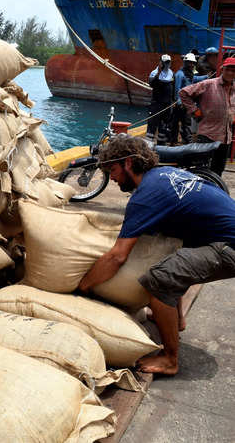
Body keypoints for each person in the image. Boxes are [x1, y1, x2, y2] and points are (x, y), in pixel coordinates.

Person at [78, 136, 235, 375]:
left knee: (160, 279)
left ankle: (170, 359)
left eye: (113, 171)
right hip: (221, 237)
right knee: (175, 261)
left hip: (228, 247)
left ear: (129, 163)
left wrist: (85, 285)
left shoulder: (145, 196)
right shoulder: (165, 176)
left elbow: (117, 256)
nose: (114, 180)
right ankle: (177, 320)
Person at [179, 57, 235, 176]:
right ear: (222, 70)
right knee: (201, 170)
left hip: (226, 138)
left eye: (233, 70)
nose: (230, 73)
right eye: (228, 69)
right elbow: (183, 93)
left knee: (217, 172)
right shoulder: (209, 84)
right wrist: (195, 111)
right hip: (208, 135)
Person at [170, 53, 205, 144]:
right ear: (185, 62)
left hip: (186, 103)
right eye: (190, 63)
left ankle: (186, 140)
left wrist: (206, 77)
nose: (192, 65)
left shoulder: (188, 74)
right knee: (177, 122)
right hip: (180, 104)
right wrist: (179, 101)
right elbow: (177, 89)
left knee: (186, 123)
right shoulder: (180, 74)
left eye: (193, 63)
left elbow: (195, 79)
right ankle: (174, 140)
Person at [147, 55, 175, 144]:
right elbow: (151, 84)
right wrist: (158, 73)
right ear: (161, 62)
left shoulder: (171, 74)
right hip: (156, 105)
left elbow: (173, 89)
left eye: (168, 62)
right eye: (165, 62)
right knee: (152, 125)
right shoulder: (154, 73)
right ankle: (149, 144)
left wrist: (172, 102)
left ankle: (161, 146)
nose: (167, 64)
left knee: (164, 127)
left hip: (167, 106)